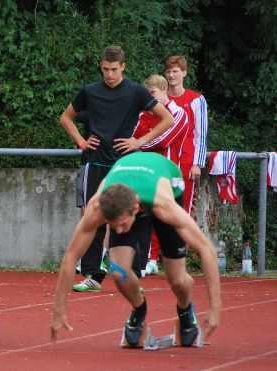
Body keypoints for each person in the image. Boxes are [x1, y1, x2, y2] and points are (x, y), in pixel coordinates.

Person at [49, 152, 221, 347]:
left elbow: (207, 250)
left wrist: (215, 309)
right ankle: (139, 308)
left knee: (177, 279)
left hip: (164, 184)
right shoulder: (97, 207)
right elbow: (71, 256)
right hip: (129, 184)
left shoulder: (164, 205)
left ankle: (185, 309)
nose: (119, 230)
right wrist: (58, 310)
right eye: (113, 225)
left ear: (136, 209)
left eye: (122, 224)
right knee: (118, 271)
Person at [60, 45, 175, 293]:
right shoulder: (90, 91)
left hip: (124, 165)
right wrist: (81, 141)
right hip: (95, 162)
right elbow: (65, 117)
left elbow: (168, 119)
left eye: (114, 69)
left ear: (123, 67)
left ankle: (132, 276)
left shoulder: (135, 91)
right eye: (105, 69)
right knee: (93, 217)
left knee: (131, 217)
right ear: (101, 67)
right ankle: (92, 275)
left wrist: (139, 141)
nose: (109, 74)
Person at [133, 74, 189, 276]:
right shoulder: (145, 114)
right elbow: (132, 136)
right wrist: (137, 143)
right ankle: (145, 262)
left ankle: (175, 262)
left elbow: (163, 141)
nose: (149, 98)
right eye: (147, 94)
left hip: (169, 175)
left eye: (153, 93)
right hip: (146, 173)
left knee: (170, 220)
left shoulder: (179, 113)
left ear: (164, 90)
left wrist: (139, 144)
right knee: (143, 217)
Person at [165, 55, 208, 215]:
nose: (171, 75)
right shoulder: (160, 98)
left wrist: (197, 164)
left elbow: (200, 134)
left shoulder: (197, 100)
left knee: (182, 210)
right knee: (160, 208)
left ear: (184, 72)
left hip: (186, 161)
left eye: (175, 71)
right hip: (162, 159)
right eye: (168, 71)